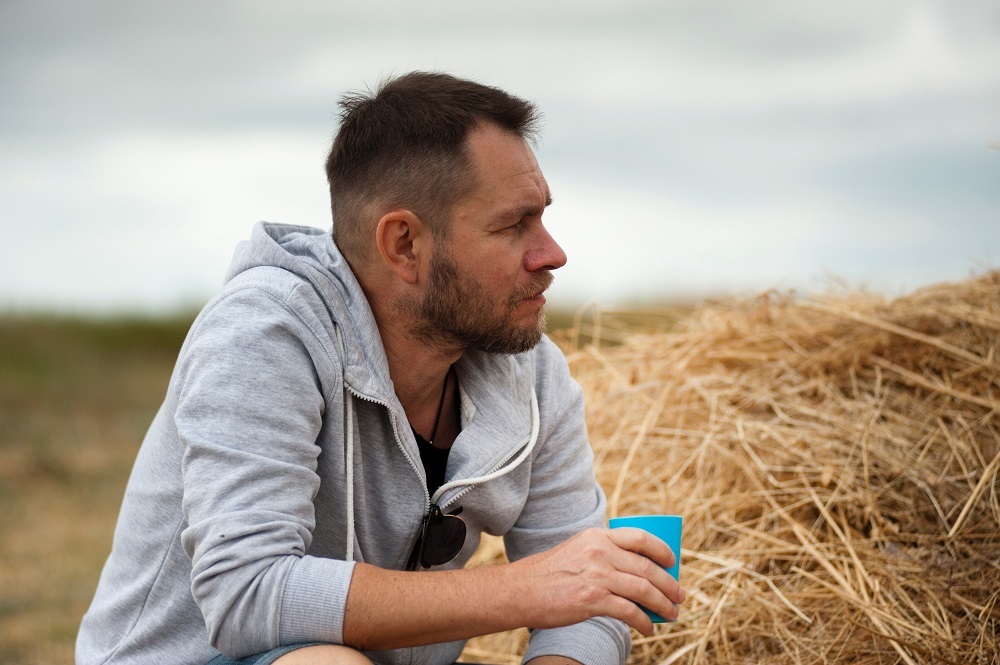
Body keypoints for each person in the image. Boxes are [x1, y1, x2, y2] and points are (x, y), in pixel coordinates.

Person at [76, 71, 685, 665]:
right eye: (513, 225)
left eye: (543, 216)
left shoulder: (531, 370)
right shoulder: (266, 331)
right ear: (404, 245)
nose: (551, 254)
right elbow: (247, 594)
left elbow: (586, 597)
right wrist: (527, 589)